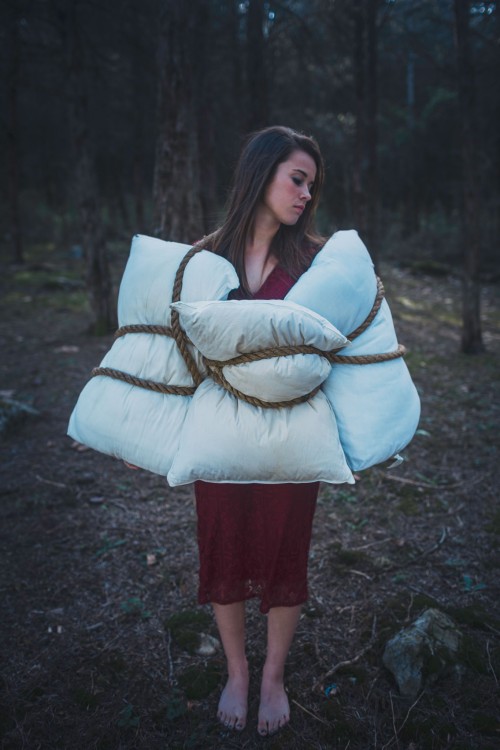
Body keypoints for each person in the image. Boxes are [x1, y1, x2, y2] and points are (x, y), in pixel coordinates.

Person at [192, 126, 326, 736]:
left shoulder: (315, 263)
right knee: (222, 540)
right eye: (297, 179)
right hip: (219, 435)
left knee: (282, 544)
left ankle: (273, 675)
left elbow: (339, 351)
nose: (305, 195)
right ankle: (238, 671)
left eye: (311, 187)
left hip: (289, 439)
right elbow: (178, 356)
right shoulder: (204, 258)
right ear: (262, 172)